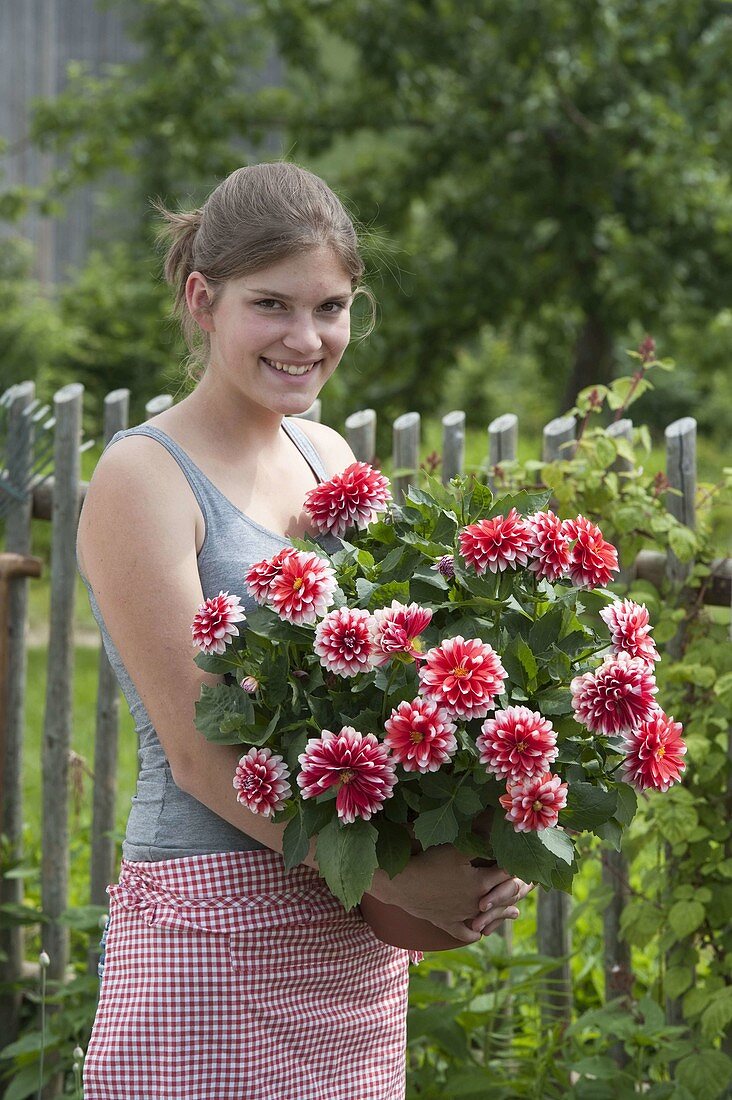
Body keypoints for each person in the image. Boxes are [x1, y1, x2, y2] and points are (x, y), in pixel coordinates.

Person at [76, 161, 532, 1100]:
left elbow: (392, 673)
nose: (306, 337)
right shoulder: (144, 477)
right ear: (204, 300)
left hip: (349, 930)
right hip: (213, 929)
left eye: (331, 307)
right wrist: (407, 883)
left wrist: (484, 835)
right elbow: (205, 753)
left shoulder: (324, 454)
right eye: (272, 305)